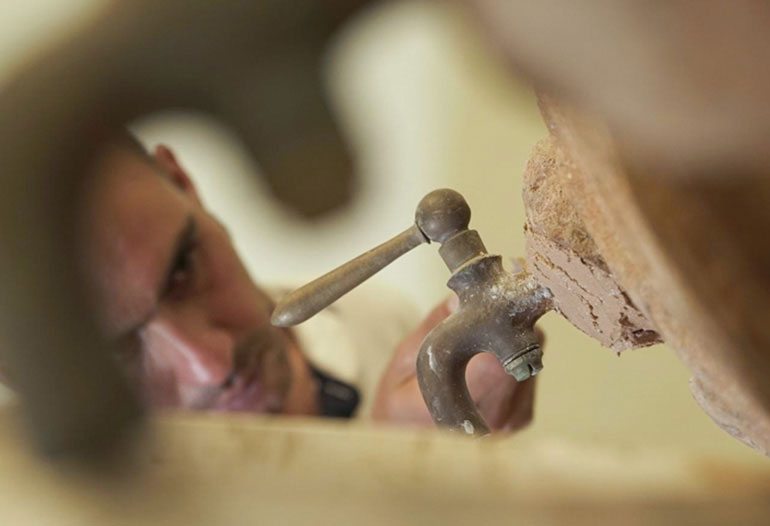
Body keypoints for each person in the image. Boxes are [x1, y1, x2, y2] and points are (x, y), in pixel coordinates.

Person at [76, 132, 537, 431]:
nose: (211, 366)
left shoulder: (373, 322)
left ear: (182, 182)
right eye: (118, 352)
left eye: (182, 270)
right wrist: (401, 485)